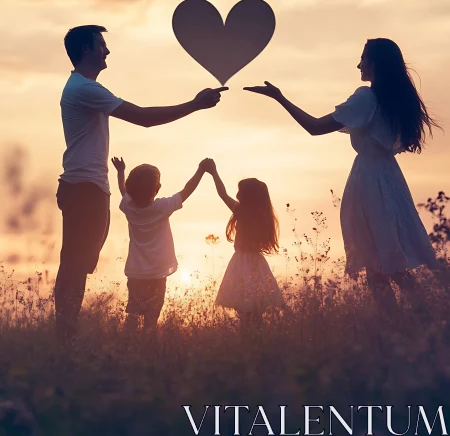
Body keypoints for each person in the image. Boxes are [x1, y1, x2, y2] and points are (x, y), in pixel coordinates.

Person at [244, 38, 440, 318]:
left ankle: (406, 326)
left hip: (370, 182)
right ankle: (423, 324)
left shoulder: (366, 98)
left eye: (363, 58)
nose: (359, 64)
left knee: (379, 265)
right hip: (390, 179)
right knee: (388, 261)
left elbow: (314, 127)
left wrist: (280, 97)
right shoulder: (392, 101)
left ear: (376, 63)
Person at [55, 24, 227, 343]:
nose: (107, 50)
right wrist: (194, 104)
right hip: (83, 190)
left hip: (87, 188)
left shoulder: (83, 88)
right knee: (76, 264)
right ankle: (64, 335)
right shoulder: (85, 89)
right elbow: (144, 117)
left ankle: (66, 331)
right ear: (85, 50)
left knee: (80, 263)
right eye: (101, 45)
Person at [112, 155, 211, 332]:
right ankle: (148, 345)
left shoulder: (129, 206)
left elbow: (122, 190)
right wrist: (201, 170)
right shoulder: (162, 207)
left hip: (135, 273)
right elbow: (187, 190)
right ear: (156, 189)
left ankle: (129, 346)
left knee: (133, 314)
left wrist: (120, 171)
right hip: (157, 274)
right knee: (152, 316)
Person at [204, 160, 284, 325]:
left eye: (240, 191)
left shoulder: (242, 211)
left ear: (247, 195)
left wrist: (214, 173)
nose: (237, 194)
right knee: (255, 310)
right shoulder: (263, 216)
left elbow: (222, 194)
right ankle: (255, 340)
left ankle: (249, 340)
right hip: (257, 262)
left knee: (245, 310)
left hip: (242, 262)